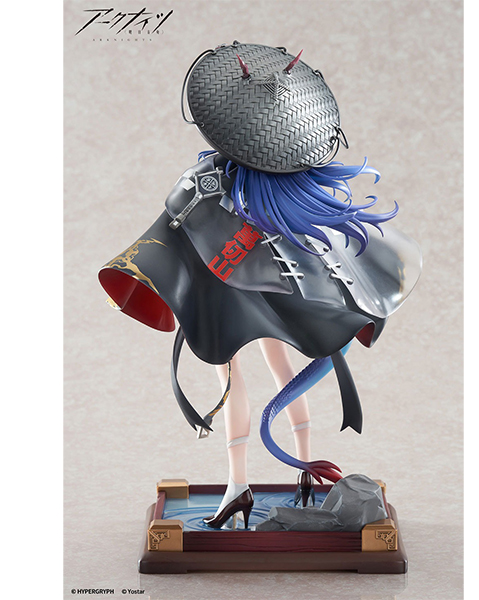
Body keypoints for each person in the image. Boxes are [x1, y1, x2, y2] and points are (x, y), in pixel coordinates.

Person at [99, 42, 422, 529]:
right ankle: (303, 473)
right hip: (272, 289)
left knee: (231, 375)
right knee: (278, 365)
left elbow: (171, 228)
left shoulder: (208, 179)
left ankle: (239, 485)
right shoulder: (291, 186)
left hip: (227, 290)